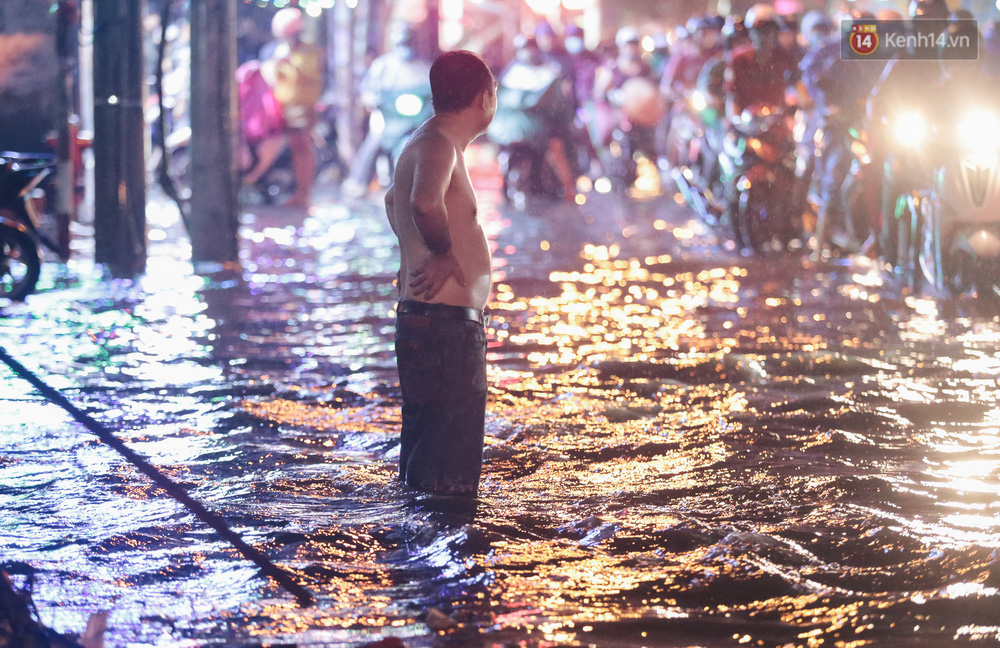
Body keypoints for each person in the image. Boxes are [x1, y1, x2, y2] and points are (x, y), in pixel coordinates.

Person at [384, 50, 497, 496]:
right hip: (445, 331)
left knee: (425, 456)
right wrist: (443, 253)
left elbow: (393, 199)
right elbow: (422, 203)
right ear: (485, 97)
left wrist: (409, 255)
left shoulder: (426, 140)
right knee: (447, 472)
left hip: (430, 323)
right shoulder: (438, 144)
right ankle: (440, 556)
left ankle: (416, 551)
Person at [247, 8, 324, 208]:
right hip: (279, 110)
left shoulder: (307, 51)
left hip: (300, 109)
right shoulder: (277, 50)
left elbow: (306, 75)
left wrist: (286, 61)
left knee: (302, 150)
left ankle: (303, 194)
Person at [344, 23, 432, 196]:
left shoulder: (423, 67)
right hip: (388, 117)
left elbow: (433, 91)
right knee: (375, 142)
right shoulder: (382, 65)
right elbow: (368, 90)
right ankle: (358, 181)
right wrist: (374, 101)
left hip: (414, 120)